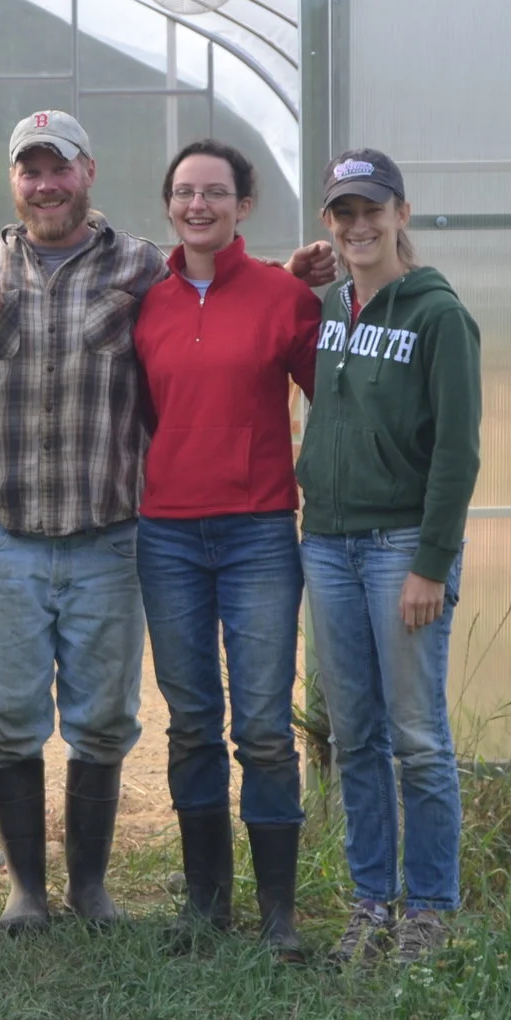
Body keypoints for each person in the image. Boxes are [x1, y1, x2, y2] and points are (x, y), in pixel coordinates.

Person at [0, 111, 170, 933]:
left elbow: (217, 294)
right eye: (29, 169)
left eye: (60, 167)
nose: (45, 183)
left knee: (103, 720)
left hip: (108, 534)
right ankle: (26, 890)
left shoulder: (142, 266)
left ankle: (90, 885)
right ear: (14, 180)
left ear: (89, 171)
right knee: (11, 719)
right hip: (6, 534)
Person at [133, 140, 319, 961]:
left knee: (266, 725)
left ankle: (278, 913)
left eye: (215, 192)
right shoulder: (147, 301)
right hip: (167, 532)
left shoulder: (285, 297)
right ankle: (206, 905)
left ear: (244, 205)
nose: (197, 205)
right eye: (184, 192)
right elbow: (144, 410)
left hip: (257, 534)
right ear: (168, 205)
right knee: (193, 723)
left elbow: (335, 401)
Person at [296, 148, 482, 969]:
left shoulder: (437, 315)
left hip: (400, 545)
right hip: (329, 543)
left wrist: (432, 563)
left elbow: (457, 450)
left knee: (417, 734)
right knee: (355, 732)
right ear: (329, 224)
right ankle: (371, 900)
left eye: (374, 209)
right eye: (343, 213)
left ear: (403, 213)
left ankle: (431, 908)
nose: (359, 225)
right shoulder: (333, 304)